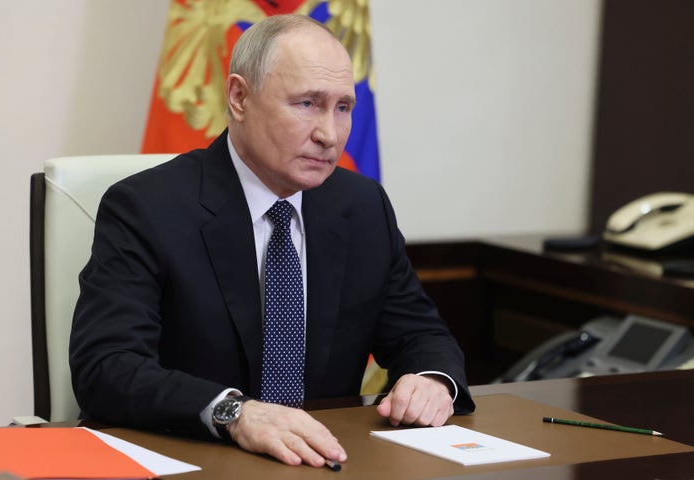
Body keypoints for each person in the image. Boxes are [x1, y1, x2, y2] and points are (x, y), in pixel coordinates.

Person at [69, 13, 475, 469]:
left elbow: (420, 334)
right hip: (188, 458)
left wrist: (430, 380)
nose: (329, 134)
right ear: (239, 97)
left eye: (343, 108)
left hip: (321, 460)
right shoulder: (146, 207)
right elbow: (106, 366)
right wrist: (234, 413)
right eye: (307, 103)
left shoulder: (361, 206)